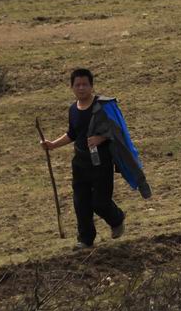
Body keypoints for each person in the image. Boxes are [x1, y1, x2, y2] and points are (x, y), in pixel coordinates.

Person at [40, 68, 148, 247]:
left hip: (101, 162)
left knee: (100, 202)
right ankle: (85, 239)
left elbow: (118, 130)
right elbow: (72, 133)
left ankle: (117, 219)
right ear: (72, 87)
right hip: (80, 162)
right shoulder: (73, 109)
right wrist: (52, 145)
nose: (81, 88)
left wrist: (102, 138)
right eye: (77, 85)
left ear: (91, 86)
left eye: (85, 84)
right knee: (80, 203)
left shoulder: (103, 107)